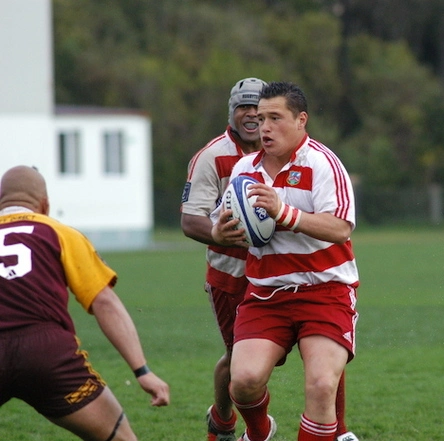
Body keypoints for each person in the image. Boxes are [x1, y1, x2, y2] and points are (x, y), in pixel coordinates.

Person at [181, 78, 358, 441]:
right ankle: (258, 433)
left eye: (275, 118)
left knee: (322, 386)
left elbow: (340, 227)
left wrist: (284, 212)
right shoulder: (245, 171)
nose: (264, 127)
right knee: (242, 382)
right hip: (266, 294)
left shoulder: (324, 164)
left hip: (325, 290)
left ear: (301, 120)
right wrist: (219, 232)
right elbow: (219, 221)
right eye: (261, 119)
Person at [0, 165, 170, 441]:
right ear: (44, 204)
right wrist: (142, 371)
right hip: (47, 355)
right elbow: (105, 303)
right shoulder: (59, 232)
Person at [181, 77, 266, 441]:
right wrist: (216, 233)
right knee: (238, 360)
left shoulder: (282, 150)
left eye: (258, 108)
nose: (251, 115)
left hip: (278, 272)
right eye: (243, 107)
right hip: (230, 275)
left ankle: (334, 428)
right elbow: (190, 219)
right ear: (231, 112)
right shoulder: (212, 156)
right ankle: (225, 421)